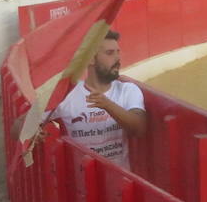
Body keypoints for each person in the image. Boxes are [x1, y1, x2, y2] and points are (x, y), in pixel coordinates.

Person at [45, 31, 147, 171]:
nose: (117, 58)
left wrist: (107, 105)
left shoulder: (128, 90)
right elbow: (20, 127)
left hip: (118, 183)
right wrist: (35, 131)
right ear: (91, 59)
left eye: (118, 52)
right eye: (110, 53)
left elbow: (139, 128)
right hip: (82, 182)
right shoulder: (67, 94)